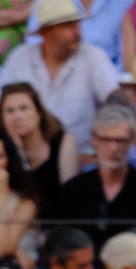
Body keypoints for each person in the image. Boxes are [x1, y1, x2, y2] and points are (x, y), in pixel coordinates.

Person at [0, 0, 120, 154]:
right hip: (26, 158)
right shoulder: (20, 58)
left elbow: (114, 95)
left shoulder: (92, 56)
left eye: (77, 24)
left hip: (81, 158)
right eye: (68, 26)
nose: (78, 33)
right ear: (46, 32)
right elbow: (3, 102)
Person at [53, 103, 136, 254]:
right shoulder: (73, 191)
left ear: (131, 140)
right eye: (106, 140)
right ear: (94, 139)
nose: (113, 148)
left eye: (120, 140)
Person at [0, 82, 80, 210]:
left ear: (38, 113)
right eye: (10, 111)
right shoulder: (2, 149)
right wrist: (17, 152)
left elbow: (69, 195)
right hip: (14, 222)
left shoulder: (62, 142)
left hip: (56, 221)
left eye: (23, 108)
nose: (17, 116)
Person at [0, 129, 39, 269]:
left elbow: (3, 247)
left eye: (0, 156)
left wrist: (2, 194)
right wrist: (18, 252)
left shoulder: (25, 203)